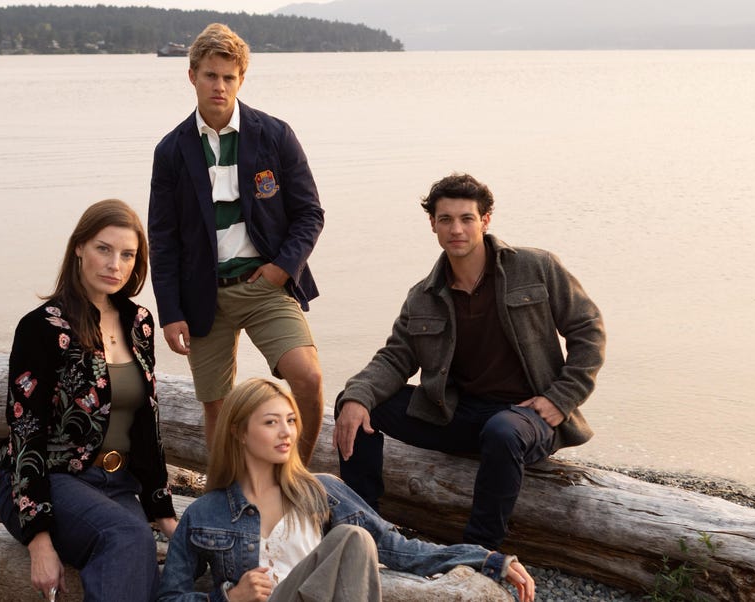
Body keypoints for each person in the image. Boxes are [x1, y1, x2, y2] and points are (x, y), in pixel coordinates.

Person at [334, 172, 606, 551]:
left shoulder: (536, 267)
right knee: (356, 402)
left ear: (485, 220)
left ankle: (479, 552)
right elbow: (395, 358)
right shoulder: (423, 295)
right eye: (446, 219)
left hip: (526, 417)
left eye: (466, 218)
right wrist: (358, 396)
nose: (456, 229)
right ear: (433, 224)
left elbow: (588, 330)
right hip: (456, 415)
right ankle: (366, 532)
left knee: (502, 431)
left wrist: (561, 399)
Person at [158, 378, 536, 602]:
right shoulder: (205, 513)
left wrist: (488, 558)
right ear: (239, 432)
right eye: (271, 422)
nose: (287, 432)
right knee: (351, 538)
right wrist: (229, 597)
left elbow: (398, 549)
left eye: (290, 420)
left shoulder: (320, 491)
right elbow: (170, 596)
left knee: (354, 539)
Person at [148, 23, 326, 464]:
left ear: (241, 79)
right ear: (192, 75)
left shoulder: (275, 135)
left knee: (307, 379)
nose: (219, 86)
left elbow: (310, 214)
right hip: (203, 295)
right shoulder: (171, 151)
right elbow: (163, 239)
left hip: (264, 286)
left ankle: (295, 476)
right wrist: (170, 312)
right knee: (218, 406)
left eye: (229, 77)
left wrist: (281, 268)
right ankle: (226, 490)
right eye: (210, 75)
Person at [0, 199, 178, 601]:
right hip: (49, 481)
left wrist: (163, 512)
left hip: (117, 484)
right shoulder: (41, 327)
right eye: (103, 249)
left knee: (144, 553)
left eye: (127, 254)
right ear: (79, 247)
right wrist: (39, 541)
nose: (115, 264)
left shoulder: (140, 323)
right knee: (128, 537)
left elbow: (146, 424)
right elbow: (25, 432)